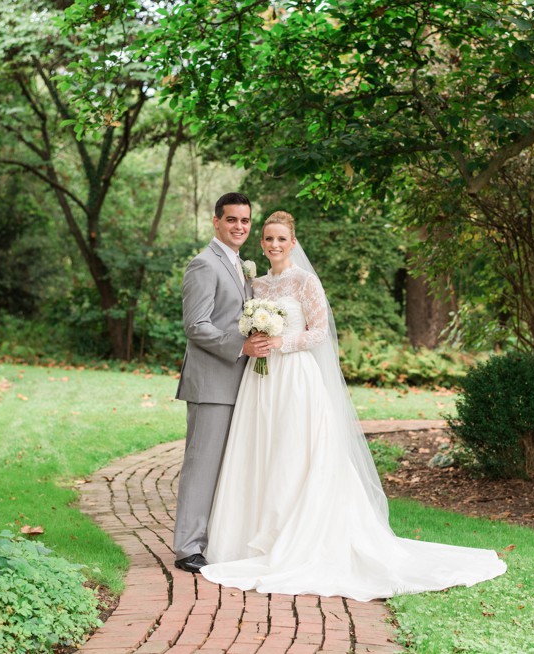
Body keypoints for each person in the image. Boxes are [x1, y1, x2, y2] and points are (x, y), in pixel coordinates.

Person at [201, 211, 507, 601]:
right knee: (259, 451)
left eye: (281, 239)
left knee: (293, 455)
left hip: (295, 378)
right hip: (260, 382)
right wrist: (258, 337)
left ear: (293, 242)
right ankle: (250, 538)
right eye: (268, 239)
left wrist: (282, 343)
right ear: (261, 243)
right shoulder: (255, 284)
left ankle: (294, 537)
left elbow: (319, 333)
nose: (274, 245)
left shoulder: (306, 282)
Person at [173, 192, 271, 574]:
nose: (239, 227)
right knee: (202, 466)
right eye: (232, 220)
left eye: (245, 221)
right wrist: (241, 346)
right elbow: (196, 326)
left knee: (228, 467)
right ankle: (187, 549)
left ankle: (214, 539)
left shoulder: (241, 265)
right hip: (211, 384)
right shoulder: (203, 264)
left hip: (239, 384)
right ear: (216, 222)